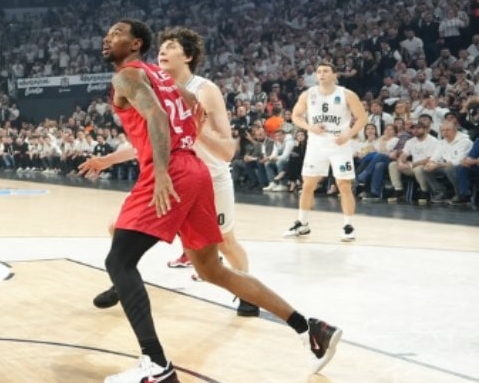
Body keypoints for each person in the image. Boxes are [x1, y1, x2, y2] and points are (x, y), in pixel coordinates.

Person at [86, 20, 341, 383]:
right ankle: (309, 328)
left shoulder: (127, 76)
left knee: (119, 261)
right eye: (108, 33)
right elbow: (190, 104)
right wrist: (187, 133)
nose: (107, 38)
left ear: (136, 43)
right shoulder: (161, 78)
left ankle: (156, 365)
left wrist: (162, 172)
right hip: (196, 170)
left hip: (172, 170)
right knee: (211, 270)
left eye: (116, 33)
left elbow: (157, 115)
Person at [82, 27, 258, 316]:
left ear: (188, 56)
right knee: (119, 228)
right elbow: (152, 138)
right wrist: (108, 160)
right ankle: (122, 279)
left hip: (207, 178)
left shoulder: (205, 90)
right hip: (172, 173)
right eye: (162, 46)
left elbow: (228, 150)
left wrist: (196, 131)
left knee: (226, 242)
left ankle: (248, 294)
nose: (163, 50)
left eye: (172, 46)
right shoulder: (151, 82)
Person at [285, 62, 367, 241]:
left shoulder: (346, 94)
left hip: (340, 145)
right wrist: (310, 127)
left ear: (334, 75)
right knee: (308, 184)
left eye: (325, 71)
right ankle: (302, 223)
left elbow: (362, 118)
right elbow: (295, 116)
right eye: (319, 71)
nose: (321, 74)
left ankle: (348, 226)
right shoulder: (308, 94)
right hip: (316, 145)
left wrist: (348, 134)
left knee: (344, 185)